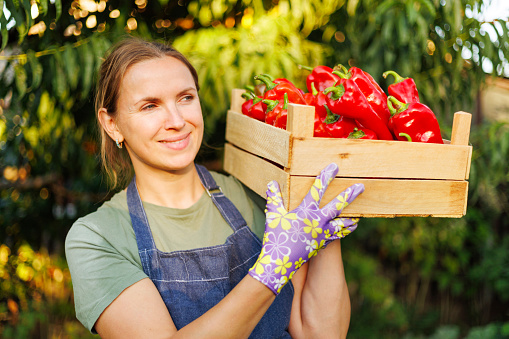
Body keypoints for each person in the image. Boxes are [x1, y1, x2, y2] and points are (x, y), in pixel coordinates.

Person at [65, 36, 365, 338]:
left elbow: (320, 334)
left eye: (186, 98)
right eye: (150, 106)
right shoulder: (98, 238)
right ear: (111, 124)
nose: (177, 120)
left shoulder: (257, 195)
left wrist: (325, 230)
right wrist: (270, 271)